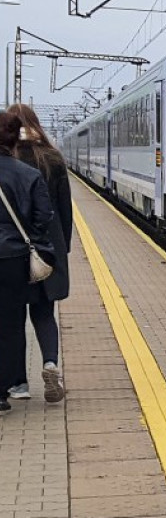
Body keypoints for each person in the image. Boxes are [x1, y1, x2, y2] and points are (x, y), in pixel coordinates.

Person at [6, 104, 71, 404]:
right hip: (45, 250)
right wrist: (61, 250)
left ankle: (19, 384)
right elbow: (63, 210)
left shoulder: (11, 160)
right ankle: (50, 364)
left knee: (12, 319)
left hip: (11, 254)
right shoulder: (52, 158)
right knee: (45, 314)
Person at [0, 109, 57, 416]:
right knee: (11, 325)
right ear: (14, 139)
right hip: (14, 258)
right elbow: (44, 216)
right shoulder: (29, 173)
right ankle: (6, 391)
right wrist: (30, 240)